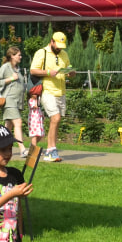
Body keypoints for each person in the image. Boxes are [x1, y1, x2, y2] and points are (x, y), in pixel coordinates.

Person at [29, 31, 74, 162]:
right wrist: (48, 72)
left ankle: (52, 149)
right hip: (47, 90)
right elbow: (33, 70)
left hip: (60, 91)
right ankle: (50, 150)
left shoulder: (64, 54)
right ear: (52, 41)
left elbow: (69, 67)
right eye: (57, 45)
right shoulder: (41, 53)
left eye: (62, 45)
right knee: (56, 117)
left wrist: (71, 72)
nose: (59, 48)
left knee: (56, 121)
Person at [0, 46, 29, 157]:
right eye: (18, 55)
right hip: (9, 100)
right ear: (12, 56)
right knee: (18, 122)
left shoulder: (18, 69)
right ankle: (22, 149)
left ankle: (0, 146)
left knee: (8, 127)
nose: (21, 57)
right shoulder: (5, 67)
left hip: (17, 101)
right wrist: (11, 79)